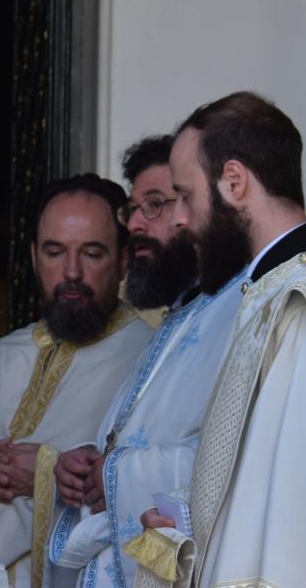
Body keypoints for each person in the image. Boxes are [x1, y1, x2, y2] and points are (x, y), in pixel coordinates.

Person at [129, 93, 306, 587]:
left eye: (186, 195)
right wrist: (182, 521)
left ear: (234, 181)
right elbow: (254, 488)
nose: (179, 218)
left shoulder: (302, 306)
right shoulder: (270, 293)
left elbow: (297, 533)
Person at [0, 175, 154, 587]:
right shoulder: (1, 357)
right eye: (55, 253)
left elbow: (159, 486)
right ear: (36, 257)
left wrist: (51, 473)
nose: (71, 272)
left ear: (124, 260)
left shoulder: (147, 360)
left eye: (92, 253)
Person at [47, 132, 250, 587]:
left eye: (155, 204)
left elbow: (236, 464)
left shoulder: (238, 314)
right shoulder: (176, 320)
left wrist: (114, 473)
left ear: (197, 207)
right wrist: (87, 468)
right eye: (132, 209)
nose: (136, 224)